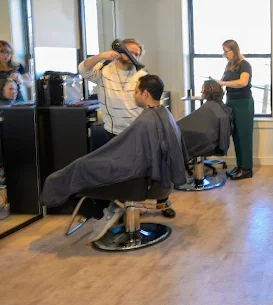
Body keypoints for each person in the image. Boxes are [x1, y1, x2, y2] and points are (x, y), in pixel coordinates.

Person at [41, 75, 187, 242]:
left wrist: (89, 163)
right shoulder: (165, 114)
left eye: (136, 92)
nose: (134, 95)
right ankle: (109, 208)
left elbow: (131, 159)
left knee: (79, 169)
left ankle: (99, 213)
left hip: (139, 184)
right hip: (157, 183)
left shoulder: (145, 122)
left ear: (145, 94)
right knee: (88, 165)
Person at [77, 38, 175, 218]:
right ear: (119, 51)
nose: (132, 56)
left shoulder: (140, 75)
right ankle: (125, 208)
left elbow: (154, 101)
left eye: (136, 54)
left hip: (139, 131)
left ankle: (162, 202)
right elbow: (83, 69)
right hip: (114, 132)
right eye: (129, 51)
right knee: (121, 174)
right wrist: (101, 56)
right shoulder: (103, 71)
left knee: (152, 168)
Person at [219, 40, 254, 180]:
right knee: (236, 135)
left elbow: (243, 82)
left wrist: (224, 83)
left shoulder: (245, 64)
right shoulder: (228, 66)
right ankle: (240, 166)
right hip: (231, 102)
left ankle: (247, 169)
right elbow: (221, 82)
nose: (224, 54)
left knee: (244, 135)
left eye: (226, 51)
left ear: (234, 50)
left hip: (243, 103)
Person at [178, 79, 233, 161]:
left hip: (209, 143)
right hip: (214, 142)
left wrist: (174, 127)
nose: (201, 91)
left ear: (208, 91)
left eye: (203, 89)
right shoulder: (218, 105)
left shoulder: (210, 107)